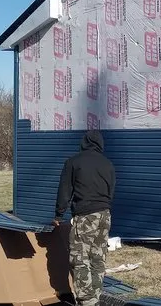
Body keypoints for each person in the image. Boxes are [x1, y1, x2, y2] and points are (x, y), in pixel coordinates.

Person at [55, 130, 116, 306]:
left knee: (80, 258)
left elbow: (64, 190)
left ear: (84, 142)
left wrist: (59, 214)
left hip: (85, 216)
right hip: (105, 215)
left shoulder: (74, 162)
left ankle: (87, 301)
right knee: (98, 257)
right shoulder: (108, 164)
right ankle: (95, 297)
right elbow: (111, 192)